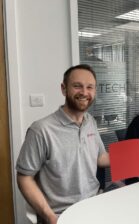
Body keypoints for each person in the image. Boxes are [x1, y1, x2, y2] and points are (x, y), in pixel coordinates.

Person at [16, 64, 110, 224]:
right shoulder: (41, 130)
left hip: (93, 205)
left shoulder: (90, 121)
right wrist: (50, 217)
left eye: (90, 87)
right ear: (64, 89)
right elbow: (25, 178)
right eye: (77, 86)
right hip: (61, 215)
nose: (85, 92)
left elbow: (101, 158)